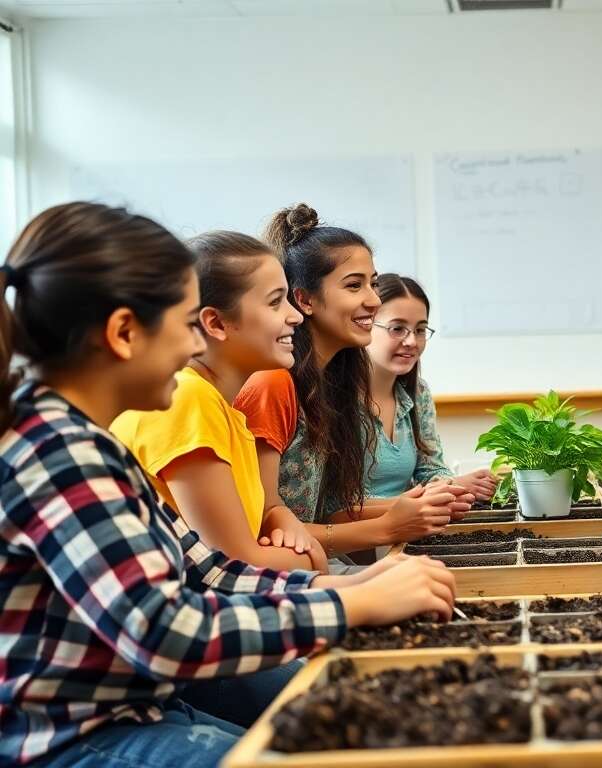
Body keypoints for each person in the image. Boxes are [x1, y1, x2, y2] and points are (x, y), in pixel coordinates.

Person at [0, 202, 459, 767]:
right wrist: (354, 605)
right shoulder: (59, 453)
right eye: (186, 324)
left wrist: (356, 585)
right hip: (72, 738)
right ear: (123, 333)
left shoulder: (89, 442)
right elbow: (164, 630)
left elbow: (209, 570)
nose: (196, 348)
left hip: (138, 709)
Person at [234, 204, 468, 559]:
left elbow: (321, 513)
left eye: (373, 284)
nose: (373, 300)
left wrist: (410, 505)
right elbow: (266, 526)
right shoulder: (274, 384)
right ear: (305, 300)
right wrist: (391, 524)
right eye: (354, 285)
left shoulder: (331, 387)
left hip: (312, 565)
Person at [112, 231, 325, 573]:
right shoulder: (187, 399)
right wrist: (311, 556)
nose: (296, 316)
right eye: (275, 302)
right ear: (216, 323)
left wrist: (279, 517)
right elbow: (233, 569)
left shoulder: (224, 409)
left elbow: (252, 538)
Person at [365, 272, 496, 501]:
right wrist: (434, 493)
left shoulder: (418, 393)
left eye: (420, 330)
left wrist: (454, 486)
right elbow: (338, 504)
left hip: (411, 527)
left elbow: (430, 468)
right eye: (397, 328)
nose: (412, 342)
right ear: (365, 325)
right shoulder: (337, 400)